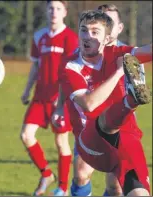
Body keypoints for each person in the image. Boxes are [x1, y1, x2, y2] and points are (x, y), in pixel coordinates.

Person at [59, 10, 152, 196]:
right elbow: (89, 103)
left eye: (95, 32)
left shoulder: (117, 54)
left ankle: (131, 99)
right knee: (102, 128)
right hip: (92, 144)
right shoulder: (70, 66)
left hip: (127, 139)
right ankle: (131, 100)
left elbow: (149, 51)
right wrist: (119, 72)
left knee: (137, 192)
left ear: (108, 39)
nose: (87, 37)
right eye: (83, 30)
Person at [20, 0, 78, 196]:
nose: (54, 12)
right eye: (51, 8)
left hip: (59, 100)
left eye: (58, 9)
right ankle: (46, 172)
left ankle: (62, 187)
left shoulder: (70, 38)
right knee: (26, 135)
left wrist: (63, 98)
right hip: (40, 96)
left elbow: (71, 70)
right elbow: (35, 66)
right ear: (46, 11)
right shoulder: (39, 37)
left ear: (65, 13)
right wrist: (27, 90)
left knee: (61, 143)